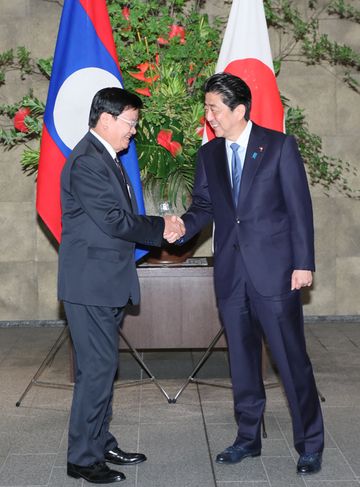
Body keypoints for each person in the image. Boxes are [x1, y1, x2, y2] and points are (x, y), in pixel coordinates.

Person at [179, 73, 324, 475]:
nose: (209, 116)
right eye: (207, 107)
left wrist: (303, 263)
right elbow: (204, 208)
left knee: (290, 359)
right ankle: (247, 436)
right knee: (241, 360)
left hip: (276, 272)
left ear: (239, 110)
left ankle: (310, 443)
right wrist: (180, 227)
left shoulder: (278, 147)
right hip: (230, 273)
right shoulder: (208, 154)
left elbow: (299, 208)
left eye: (215, 108)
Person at [58, 87, 184, 484]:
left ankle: (100, 441)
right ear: (106, 119)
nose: (134, 131)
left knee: (103, 368)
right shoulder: (87, 162)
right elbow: (114, 220)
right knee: (96, 370)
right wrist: (162, 227)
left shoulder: (106, 157)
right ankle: (82, 458)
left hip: (104, 283)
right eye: (130, 123)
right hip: (89, 286)